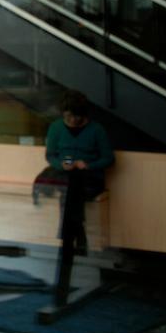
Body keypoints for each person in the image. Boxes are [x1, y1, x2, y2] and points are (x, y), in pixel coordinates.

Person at [42, 91, 113, 252]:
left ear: (84, 115)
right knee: (69, 188)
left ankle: (66, 235)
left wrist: (88, 165)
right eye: (68, 117)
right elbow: (50, 155)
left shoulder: (97, 130)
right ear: (63, 114)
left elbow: (108, 158)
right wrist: (61, 165)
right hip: (66, 174)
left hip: (90, 176)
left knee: (70, 191)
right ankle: (79, 235)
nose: (73, 121)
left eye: (77, 117)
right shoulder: (56, 127)